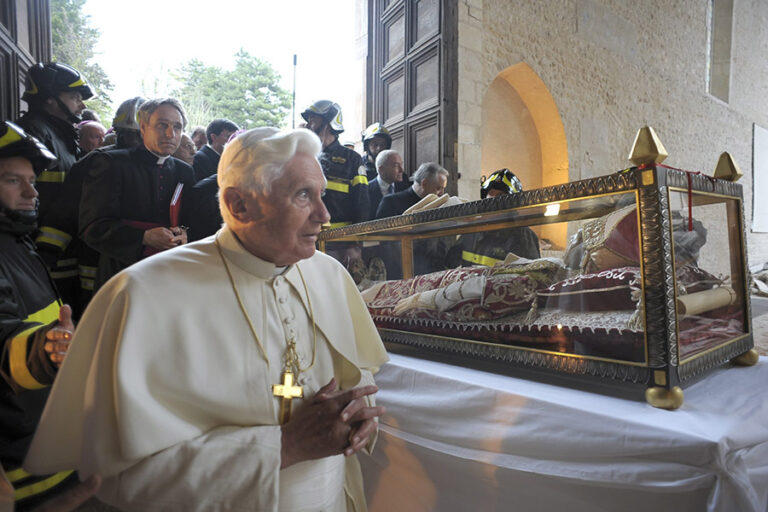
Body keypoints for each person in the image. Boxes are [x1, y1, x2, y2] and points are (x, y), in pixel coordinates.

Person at [25, 127, 389, 511]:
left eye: (322, 194)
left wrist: (358, 413)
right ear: (239, 206)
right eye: (303, 195)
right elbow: (120, 477)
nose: (325, 215)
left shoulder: (329, 275)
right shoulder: (144, 294)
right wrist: (286, 446)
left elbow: (359, 372)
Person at [0, 122, 81, 510]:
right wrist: (44, 351)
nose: (32, 192)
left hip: (42, 433)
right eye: (13, 181)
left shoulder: (16, 241)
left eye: (31, 180)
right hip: (20, 463)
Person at [78, 97, 195, 291]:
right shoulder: (111, 163)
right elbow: (92, 226)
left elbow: (190, 219)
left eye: (177, 127)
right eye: (161, 125)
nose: (170, 133)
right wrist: (144, 237)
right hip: (122, 273)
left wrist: (184, 232)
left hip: (169, 273)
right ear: (143, 127)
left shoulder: (185, 171)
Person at [15, 62, 93, 312]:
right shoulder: (31, 134)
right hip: (42, 254)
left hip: (62, 252)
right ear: (49, 99)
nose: (81, 105)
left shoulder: (62, 136)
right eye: (74, 97)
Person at [448, 168, 541, 268]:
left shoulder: (524, 237)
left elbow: (533, 278)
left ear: (513, 203)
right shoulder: (473, 230)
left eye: (500, 195)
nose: (494, 200)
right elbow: (449, 266)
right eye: (491, 193)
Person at [302, 100, 369, 226]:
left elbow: (362, 203)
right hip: (310, 234)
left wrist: (357, 240)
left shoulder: (352, 159)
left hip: (341, 240)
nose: (308, 126)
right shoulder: (305, 156)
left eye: (312, 121)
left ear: (327, 123)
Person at [375, 161, 448, 218]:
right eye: (438, 188)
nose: (441, 193)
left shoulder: (437, 204)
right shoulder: (390, 202)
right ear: (424, 183)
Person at [368, 149, 403, 219]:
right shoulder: (366, 190)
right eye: (396, 166)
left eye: (401, 164)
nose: (401, 170)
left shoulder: (405, 188)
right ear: (381, 170)